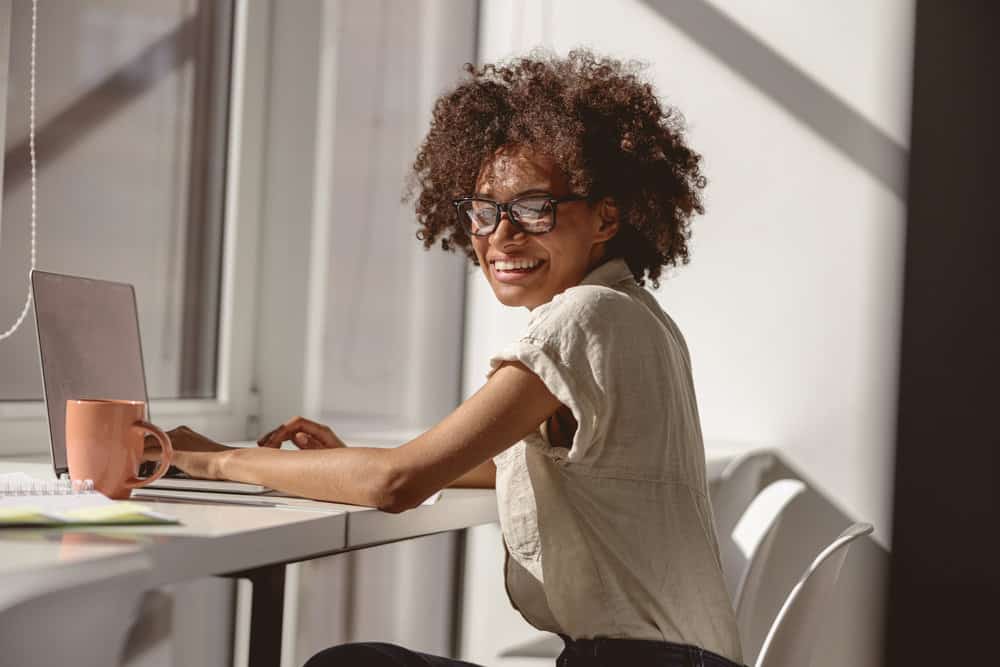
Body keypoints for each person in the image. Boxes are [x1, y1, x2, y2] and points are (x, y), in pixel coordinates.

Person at [155, 50, 744, 667]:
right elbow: (506, 469)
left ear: (605, 217)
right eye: (484, 212)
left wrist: (211, 459)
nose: (502, 236)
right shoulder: (637, 315)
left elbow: (397, 484)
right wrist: (340, 462)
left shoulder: (584, 317)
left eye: (535, 208)